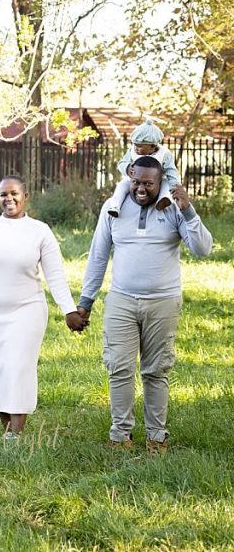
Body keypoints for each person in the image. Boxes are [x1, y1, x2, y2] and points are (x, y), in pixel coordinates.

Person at [77, 156, 212, 454]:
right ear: (130, 176)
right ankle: (120, 435)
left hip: (163, 301)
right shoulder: (114, 206)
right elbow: (98, 255)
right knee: (118, 366)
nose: (141, 189)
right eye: (136, 182)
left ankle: (156, 436)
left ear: (160, 181)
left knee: (156, 370)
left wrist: (188, 210)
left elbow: (203, 249)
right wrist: (86, 301)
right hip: (121, 300)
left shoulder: (174, 207)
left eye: (148, 184)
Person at [0, 175, 85, 442]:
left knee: (18, 368)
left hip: (27, 312)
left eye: (14, 193)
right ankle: (7, 431)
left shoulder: (40, 231)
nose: (9, 199)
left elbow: (55, 276)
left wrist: (69, 310)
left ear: (25, 196)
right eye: (3, 194)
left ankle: (15, 436)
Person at [107, 118, 180, 217]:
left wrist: (175, 185)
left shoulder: (164, 154)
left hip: (157, 182)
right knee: (121, 186)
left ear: (152, 146)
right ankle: (115, 206)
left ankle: (163, 200)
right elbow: (122, 163)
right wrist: (127, 168)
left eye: (140, 146)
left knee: (166, 185)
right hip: (133, 180)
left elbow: (170, 170)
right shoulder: (132, 151)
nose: (136, 148)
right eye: (135, 145)